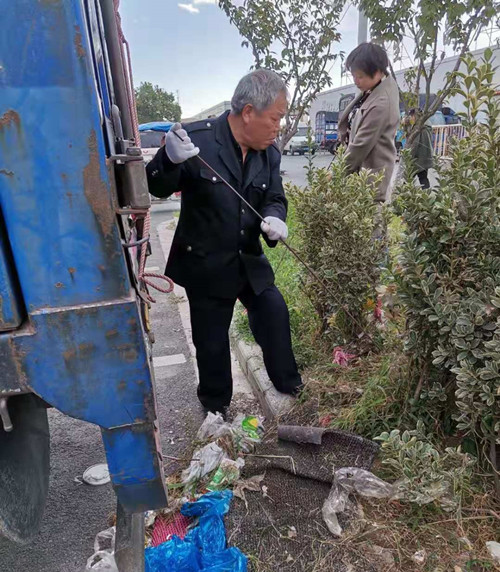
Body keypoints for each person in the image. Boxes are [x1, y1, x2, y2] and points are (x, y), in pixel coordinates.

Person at [146, 70, 303, 417]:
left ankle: (289, 386)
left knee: (274, 312)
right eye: (275, 118)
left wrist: (276, 217)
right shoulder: (197, 141)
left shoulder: (268, 154)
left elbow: (274, 196)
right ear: (249, 112)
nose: (279, 126)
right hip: (206, 261)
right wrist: (167, 159)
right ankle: (216, 407)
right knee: (211, 339)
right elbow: (155, 187)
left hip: (247, 257)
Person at [338, 43, 400, 203]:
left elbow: (361, 145)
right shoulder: (374, 87)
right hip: (362, 172)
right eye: (353, 75)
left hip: (371, 177)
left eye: (360, 76)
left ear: (378, 72)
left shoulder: (381, 102)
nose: (356, 81)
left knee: (371, 223)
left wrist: (336, 175)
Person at [406, 108, 433, 189]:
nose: (410, 118)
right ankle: (427, 198)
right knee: (423, 179)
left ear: (415, 116)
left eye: (411, 116)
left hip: (417, 159)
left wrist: (408, 157)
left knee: (408, 179)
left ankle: (404, 198)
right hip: (426, 157)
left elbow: (414, 145)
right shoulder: (427, 125)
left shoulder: (418, 128)